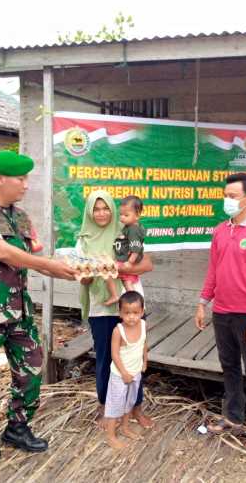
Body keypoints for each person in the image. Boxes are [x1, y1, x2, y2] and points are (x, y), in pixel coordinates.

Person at [0, 150, 79, 463]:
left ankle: (18, 427)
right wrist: (48, 263)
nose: (26, 185)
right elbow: (4, 253)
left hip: (19, 311)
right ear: (0, 178)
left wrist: (76, 271)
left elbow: (33, 256)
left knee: (32, 369)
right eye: (21, 178)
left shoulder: (20, 216)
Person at [194, 172, 246, 453]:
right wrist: (203, 302)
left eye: (232, 196)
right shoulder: (220, 230)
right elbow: (213, 271)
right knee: (229, 366)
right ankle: (233, 417)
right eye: (225, 195)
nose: (227, 200)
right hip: (222, 311)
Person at [77, 190, 154, 430]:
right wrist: (90, 273)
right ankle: (106, 408)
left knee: (133, 357)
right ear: (89, 212)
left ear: (113, 209)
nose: (101, 213)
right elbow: (83, 280)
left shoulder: (124, 231)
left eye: (105, 208)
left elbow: (147, 264)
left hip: (130, 306)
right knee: (104, 358)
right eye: (96, 209)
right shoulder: (83, 240)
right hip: (101, 308)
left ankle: (135, 409)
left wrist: (113, 268)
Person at [104, 291, 149, 449]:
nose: (131, 317)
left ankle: (125, 427)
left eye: (136, 313)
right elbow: (114, 354)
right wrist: (123, 373)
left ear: (142, 312)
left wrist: (145, 360)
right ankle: (110, 435)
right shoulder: (118, 331)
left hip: (135, 372)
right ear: (120, 313)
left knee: (129, 402)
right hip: (120, 375)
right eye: (127, 313)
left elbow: (144, 343)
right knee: (115, 404)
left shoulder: (143, 325)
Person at [104, 195, 146, 305]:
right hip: (124, 260)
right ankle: (135, 303)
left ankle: (114, 296)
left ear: (137, 215)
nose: (122, 217)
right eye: (121, 214)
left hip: (125, 261)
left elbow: (136, 248)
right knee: (128, 283)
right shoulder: (128, 227)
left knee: (107, 271)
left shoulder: (133, 229)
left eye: (126, 215)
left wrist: (129, 262)